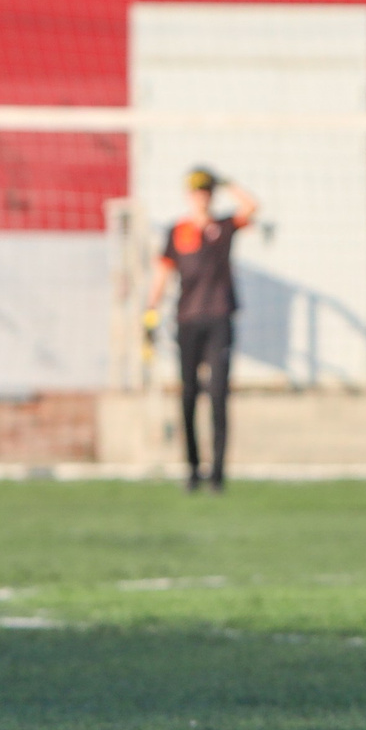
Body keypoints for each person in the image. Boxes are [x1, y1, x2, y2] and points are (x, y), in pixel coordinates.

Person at [143, 166, 258, 494]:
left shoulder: (224, 226)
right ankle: (192, 471)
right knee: (189, 396)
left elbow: (251, 207)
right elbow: (162, 273)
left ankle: (217, 475)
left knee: (219, 396)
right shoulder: (177, 230)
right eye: (197, 191)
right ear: (188, 195)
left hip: (220, 318)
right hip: (188, 320)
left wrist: (227, 181)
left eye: (207, 191)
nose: (202, 197)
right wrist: (150, 311)